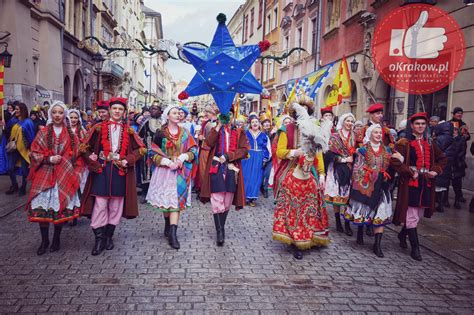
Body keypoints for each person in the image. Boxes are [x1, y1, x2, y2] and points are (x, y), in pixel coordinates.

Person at [80, 97, 146, 256]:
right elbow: (83, 147)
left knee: (116, 206)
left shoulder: (129, 131)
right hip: (102, 171)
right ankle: (98, 239)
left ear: (124, 112)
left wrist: (128, 160)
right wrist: (92, 160)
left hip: (120, 172)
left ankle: (109, 236)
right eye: (114, 108)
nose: (117, 111)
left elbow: (141, 149)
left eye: (120, 109)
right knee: (100, 205)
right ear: (110, 110)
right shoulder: (97, 128)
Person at [272, 96, 330, 260]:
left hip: (309, 168)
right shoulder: (286, 129)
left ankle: (310, 234)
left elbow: (319, 154)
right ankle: (293, 238)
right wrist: (294, 152)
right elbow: (280, 152)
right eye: (298, 111)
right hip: (292, 166)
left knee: (314, 201)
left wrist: (321, 174)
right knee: (287, 194)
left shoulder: (314, 129)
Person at [26, 101, 81, 255]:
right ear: (51, 114)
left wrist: (70, 164)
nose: (57, 115)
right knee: (42, 209)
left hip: (63, 175)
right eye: (55, 112)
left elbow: (77, 154)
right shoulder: (43, 132)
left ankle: (56, 238)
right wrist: (48, 159)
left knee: (60, 208)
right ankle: (44, 241)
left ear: (64, 115)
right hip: (45, 174)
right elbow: (33, 152)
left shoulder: (71, 133)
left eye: (60, 112)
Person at [391, 112, 447, 261]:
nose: (420, 126)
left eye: (423, 124)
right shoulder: (404, 143)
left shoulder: (430, 143)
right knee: (412, 215)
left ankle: (403, 234)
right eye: (417, 124)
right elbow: (395, 162)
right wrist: (409, 171)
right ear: (412, 126)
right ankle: (415, 248)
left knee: (418, 214)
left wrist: (435, 170)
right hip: (410, 183)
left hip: (426, 183)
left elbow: (442, 158)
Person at [146, 104, 198, 249]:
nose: (178, 115)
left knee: (175, 203)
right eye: (174, 113)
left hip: (180, 173)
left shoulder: (186, 133)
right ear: (168, 116)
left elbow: (194, 149)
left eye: (179, 113)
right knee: (167, 201)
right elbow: (152, 152)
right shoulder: (160, 133)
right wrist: (167, 161)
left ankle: (173, 234)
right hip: (165, 172)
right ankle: (167, 224)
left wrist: (183, 157)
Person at [343, 124, 397, 257]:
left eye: (380, 133)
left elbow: (393, 165)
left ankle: (377, 245)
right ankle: (360, 232)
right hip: (366, 186)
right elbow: (357, 168)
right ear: (370, 134)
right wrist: (368, 177)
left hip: (382, 186)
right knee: (365, 210)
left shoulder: (387, 151)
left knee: (381, 213)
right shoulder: (362, 150)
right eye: (375, 132)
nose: (378, 135)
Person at [200, 111, 250, 246]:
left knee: (227, 201)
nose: (227, 117)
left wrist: (229, 156)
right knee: (217, 200)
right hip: (216, 167)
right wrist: (218, 125)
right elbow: (208, 143)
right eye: (224, 115)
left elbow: (244, 150)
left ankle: (221, 226)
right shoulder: (215, 130)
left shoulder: (239, 132)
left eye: (229, 115)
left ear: (233, 116)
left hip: (231, 168)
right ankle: (220, 232)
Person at [356, 103, 395, 237]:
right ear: (372, 114)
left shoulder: (386, 130)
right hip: (367, 167)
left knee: (379, 201)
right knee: (364, 201)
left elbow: (391, 144)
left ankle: (375, 224)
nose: (380, 116)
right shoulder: (364, 129)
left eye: (381, 113)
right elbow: (359, 145)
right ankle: (364, 226)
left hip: (381, 165)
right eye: (377, 113)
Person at [324, 113, 356, 237]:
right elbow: (329, 155)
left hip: (351, 169)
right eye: (348, 121)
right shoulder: (335, 136)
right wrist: (343, 159)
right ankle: (338, 221)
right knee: (338, 195)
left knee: (349, 197)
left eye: (352, 122)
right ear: (343, 122)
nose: (350, 124)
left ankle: (347, 223)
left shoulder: (354, 136)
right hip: (337, 168)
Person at [5, 102, 36, 196]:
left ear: (22, 110)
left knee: (24, 170)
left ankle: (23, 187)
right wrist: (3, 127)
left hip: (24, 149)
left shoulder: (28, 122)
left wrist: (32, 150)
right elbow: (7, 133)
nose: (16, 111)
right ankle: (14, 186)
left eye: (17, 109)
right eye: (16, 109)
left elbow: (31, 137)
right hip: (14, 149)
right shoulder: (13, 120)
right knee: (9, 168)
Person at [241, 115, 271, 206]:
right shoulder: (245, 133)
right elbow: (241, 145)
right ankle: (244, 197)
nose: (255, 123)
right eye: (253, 122)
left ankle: (252, 198)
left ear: (259, 124)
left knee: (256, 178)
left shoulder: (264, 135)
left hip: (259, 157)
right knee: (246, 177)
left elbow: (267, 148)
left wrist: (265, 158)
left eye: (256, 122)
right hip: (248, 156)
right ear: (250, 124)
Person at [446, 107, 470, 209]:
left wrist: (465, 135)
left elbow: (468, 137)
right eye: (457, 113)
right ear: (454, 114)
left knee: (457, 179)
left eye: (461, 113)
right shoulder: (448, 123)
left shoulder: (463, 124)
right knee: (447, 179)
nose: (459, 115)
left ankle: (458, 197)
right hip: (450, 154)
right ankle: (444, 199)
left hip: (460, 155)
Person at [138, 103, 162, 204]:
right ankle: (145, 192)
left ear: (160, 111)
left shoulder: (164, 122)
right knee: (146, 172)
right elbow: (139, 136)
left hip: (161, 152)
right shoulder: (145, 122)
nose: (153, 111)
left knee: (159, 172)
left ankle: (157, 194)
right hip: (147, 151)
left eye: (156, 109)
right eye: (152, 109)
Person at [433, 121, 455, 213]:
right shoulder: (453, 138)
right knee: (442, 186)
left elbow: (435, 151)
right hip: (448, 164)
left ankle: (433, 204)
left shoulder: (438, 139)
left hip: (438, 164)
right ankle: (441, 204)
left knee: (435, 185)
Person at [261, 117, 275, 198]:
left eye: (268, 123)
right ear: (262, 125)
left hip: (270, 157)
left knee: (267, 173)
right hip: (262, 157)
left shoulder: (273, 133)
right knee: (261, 174)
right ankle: (261, 186)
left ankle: (265, 188)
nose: (266, 124)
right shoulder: (260, 133)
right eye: (264, 123)